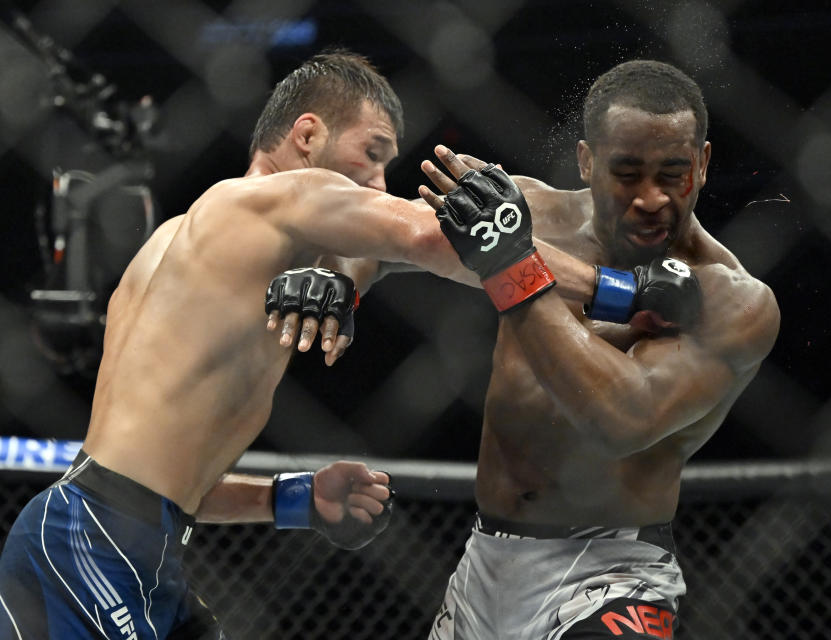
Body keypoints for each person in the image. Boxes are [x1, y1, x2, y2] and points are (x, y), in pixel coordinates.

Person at [273, 59, 780, 639]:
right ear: (588, 162)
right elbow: (388, 240)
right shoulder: (532, 213)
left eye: (673, 173)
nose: (651, 198)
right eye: (627, 172)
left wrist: (512, 264)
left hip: (612, 574)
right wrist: (341, 281)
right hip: (485, 559)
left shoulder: (734, 300)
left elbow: (624, 417)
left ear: (704, 164)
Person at [0, 49, 490, 639]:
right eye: (372, 153)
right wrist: (600, 285)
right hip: (89, 547)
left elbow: (179, 484)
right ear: (307, 135)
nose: (380, 183)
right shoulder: (262, 199)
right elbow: (428, 236)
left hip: (128, 541)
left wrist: (299, 501)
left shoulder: (178, 243)